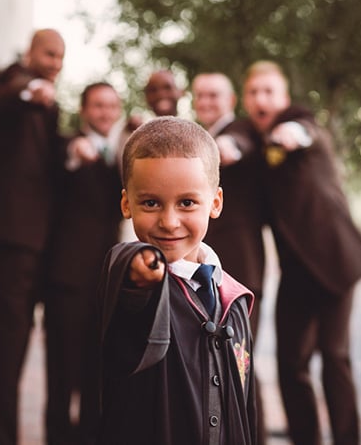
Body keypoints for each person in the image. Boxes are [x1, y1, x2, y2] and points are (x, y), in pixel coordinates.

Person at [81, 116, 258, 445]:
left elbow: (245, 405)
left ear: (215, 202)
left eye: (187, 203)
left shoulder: (234, 299)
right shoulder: (133, 283)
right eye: (150, 203)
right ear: (126, 204)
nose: (169, 221)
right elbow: (126, 276)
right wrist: (138, 276)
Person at [241, 61, 361, 445]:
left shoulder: (298, 125)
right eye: (253, 92)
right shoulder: (253, 143)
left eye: (268, 91)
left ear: (283, 98)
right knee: (290, 365)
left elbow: (305, 131)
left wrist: (291, 133)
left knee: (334, 357)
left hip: (336, 262)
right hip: (296, 271)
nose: (260, 99)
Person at [0, 28, 66, 445]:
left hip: (38, 249)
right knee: (1, 360)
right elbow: (16, 91)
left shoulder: (51, 107)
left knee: (15, 358)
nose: (55, 63)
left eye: (60, 58)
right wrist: (33, 89)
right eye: (48, 54)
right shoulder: (14, 83)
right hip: (6, 246)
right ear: (29, 52)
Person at [43, 82, 124, 443]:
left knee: (99, 374)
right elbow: (66, 157)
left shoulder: (122, 155)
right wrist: (77, 151)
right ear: (84, 109)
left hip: (107, 283)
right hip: (67, 281)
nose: (105, 112)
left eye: (111, 106)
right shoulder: (67, 145)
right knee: (61, 375)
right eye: (97, 106)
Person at [191, 72, 267, 444]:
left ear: (231, 99)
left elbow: (234, 147)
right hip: (208, 270)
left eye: (214, 95)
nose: (206, 101)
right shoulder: (199, 134)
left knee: (242, 364)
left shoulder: (242, 131)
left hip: (242, 270)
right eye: (200, 95)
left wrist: (194, 156)